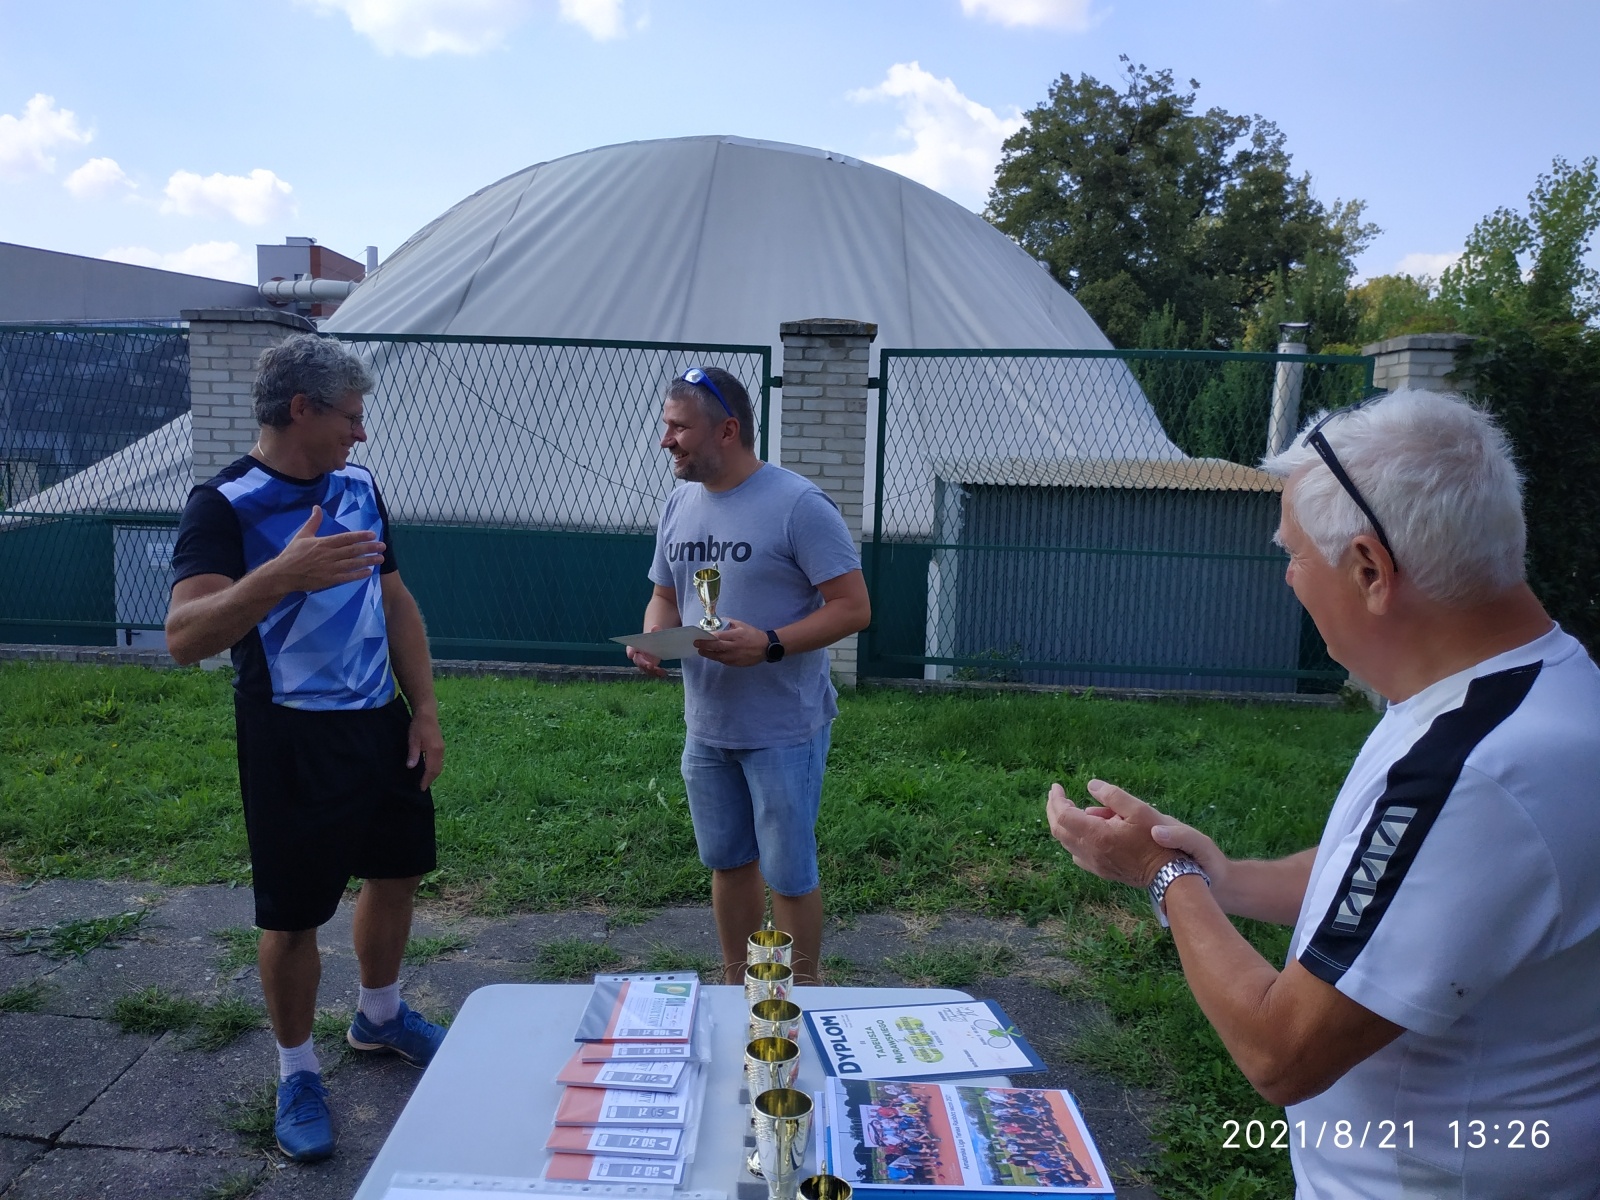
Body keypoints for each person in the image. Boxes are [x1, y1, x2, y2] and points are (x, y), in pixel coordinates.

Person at [1044, 390, 1600, 1197]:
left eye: (1295, 554)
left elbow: (1282, 1052)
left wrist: (1164, 877)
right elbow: (1382, 876)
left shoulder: (1479, 771)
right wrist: (1223, 876)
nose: (1289, 577)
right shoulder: (1521, 693)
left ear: (1370, 570)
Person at [165, 334, 447, 1163]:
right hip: (288, 733)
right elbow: (184, 637)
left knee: (397, 872)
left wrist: (424, 712)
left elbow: (395, 600)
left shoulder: (359, 485)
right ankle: (296, 1072)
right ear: (301, 409)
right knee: (291, 916)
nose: (361, 433)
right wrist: (281, 574)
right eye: (349, 417)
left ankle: (380, 1015)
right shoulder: (224, 503)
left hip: (378, 722)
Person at [627, 366, 870, 984]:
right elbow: (665, 595)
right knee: (729, 863)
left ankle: (795, 998)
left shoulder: (798, 504)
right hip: (708, 727)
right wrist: (655, 638)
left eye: (679, 428)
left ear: (728, 430)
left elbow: (853, 608)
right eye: (666, 426)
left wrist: (769, 644)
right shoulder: (679, 504)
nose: (666, 440)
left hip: (783, 728)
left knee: (788, 875)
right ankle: (738, 987)